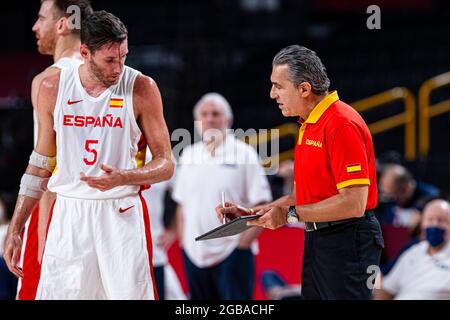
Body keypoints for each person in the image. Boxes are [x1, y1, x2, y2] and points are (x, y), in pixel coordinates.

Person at [3, 10, 174, 300]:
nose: (119, 67)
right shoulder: (52, 87)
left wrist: (125, 177)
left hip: (120, 212)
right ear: (84, 52)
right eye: (109, 60)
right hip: (70, 213)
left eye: (124, 56)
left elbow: (166, 163)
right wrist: (16, 227)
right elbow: (41, 163)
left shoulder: (142, 87)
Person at [217, 45, 383, 300]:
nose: (272, 94)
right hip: (319, 238)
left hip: (348, 239)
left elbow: (354, 203)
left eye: (278, 86)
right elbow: (300, 196)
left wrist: (289, 216)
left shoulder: (341, 123)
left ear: (304, 89)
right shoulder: (309, 125)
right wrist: (252, 213)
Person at [18, 0, 93, 300]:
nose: (35, 27)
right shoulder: (112, 79)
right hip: (97, 213)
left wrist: (39, 231)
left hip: (58, 209)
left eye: (40, 18)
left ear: (63, 25)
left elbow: (46, 165)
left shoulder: (50, 80)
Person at [172, 92, 272, 300]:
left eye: (215, 113)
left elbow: (262, 203)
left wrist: (242, 245)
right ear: (197, 121)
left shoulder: (245, 154)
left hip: (233, 252)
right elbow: (182, 205)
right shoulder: (189, 154)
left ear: (227, 119)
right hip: (194, 254)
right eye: (204, 114)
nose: (209, 118)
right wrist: (184, 243)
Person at [373, 199, 450, 300]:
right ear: (422, 224)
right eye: (430, 220)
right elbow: (388, 288)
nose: (435, 225)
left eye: (441, 220)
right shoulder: (413, 250)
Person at [140, 150, 186, 300]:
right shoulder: (112, 145)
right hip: (116, 250)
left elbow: (184, 196)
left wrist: (174, 230)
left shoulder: (161, 152)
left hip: (154, 252)